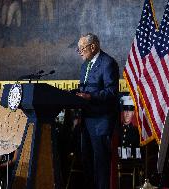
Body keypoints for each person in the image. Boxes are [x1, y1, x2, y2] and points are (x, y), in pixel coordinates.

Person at [76, 33, 119, 189]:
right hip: (86, 121)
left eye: (82, 48)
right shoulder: (84, 66)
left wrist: (89, 96)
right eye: (79, 49)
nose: (80, 51)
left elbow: (112, 92)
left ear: (93, 46)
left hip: (101, 121)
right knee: (87, 162)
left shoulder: (108, 63)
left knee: (101, 164)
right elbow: (83, 90)